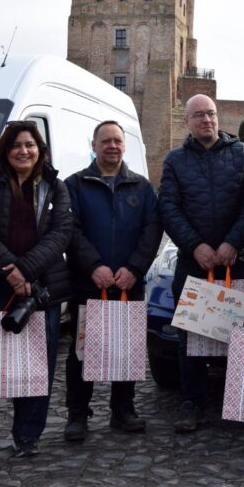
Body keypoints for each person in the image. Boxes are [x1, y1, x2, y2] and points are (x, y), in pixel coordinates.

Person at [0, 121, 73, 463]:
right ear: (5, 150)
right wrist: (11, 270)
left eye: (30, 145)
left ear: (40, 150)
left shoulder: (55, 186)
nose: (24, 151)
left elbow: (61, 233)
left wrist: (27, 271)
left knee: (36, 368)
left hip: (40, 291)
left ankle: (28, 437)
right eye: (17, 145)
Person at [158, 94, 244, 432]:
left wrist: (233, 241)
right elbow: (168, 207)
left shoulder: (242, 154)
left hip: (237, 260)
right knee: (192, 336)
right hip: (194, 262)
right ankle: (192, 403)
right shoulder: (175, 160)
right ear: (187, 121)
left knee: (241, 335)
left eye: (211, 114)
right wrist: (195, 245)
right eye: (199, 115)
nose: (207, 120)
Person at [63, 120, 163, 441]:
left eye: (117, 141)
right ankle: (78, 413)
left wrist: (134, 268)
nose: (112, 146)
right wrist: (93, 266)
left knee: (127, 348)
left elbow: (151, 231)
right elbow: (70, 231)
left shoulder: (142, 187)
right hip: (88, 283)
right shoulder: (75, 185)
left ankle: (123, 408)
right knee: (81, 351)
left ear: (124, 145)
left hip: (127, 284)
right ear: (93, 145)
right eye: (105, 141)